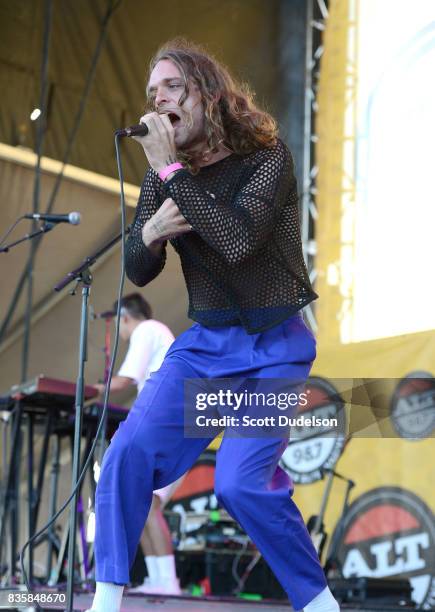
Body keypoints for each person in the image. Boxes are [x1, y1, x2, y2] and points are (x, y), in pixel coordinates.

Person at [87, 39, 340, 612]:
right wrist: (150, 231)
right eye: (151, 93)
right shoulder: (165, 176)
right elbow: (137, 266)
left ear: (204, 92)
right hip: (205, 352)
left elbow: (235, 241)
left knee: (241, 485)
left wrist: (170, 171)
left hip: (274, 351)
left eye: (170, 88)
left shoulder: (266, 158)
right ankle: (105, 602)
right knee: (125, 454)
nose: (158, 101)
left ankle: (321, 605)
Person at [93, 293, 182, 595]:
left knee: (150, 504)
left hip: (169, 419)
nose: (119, 328)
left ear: (125, 317)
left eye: (118, 321)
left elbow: (125, 380)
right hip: (170, 418)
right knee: (144, 504)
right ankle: (160, 579)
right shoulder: (157, 331)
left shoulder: (146, 330)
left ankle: (169, 581)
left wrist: (88, 390)